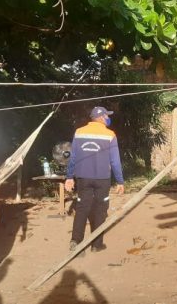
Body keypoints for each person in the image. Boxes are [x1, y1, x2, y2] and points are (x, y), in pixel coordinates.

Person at [65, 106, 124, 252]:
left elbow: (73, 158)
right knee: (101, 210)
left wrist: (69, 177)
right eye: (106, 116)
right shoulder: (110, 135)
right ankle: (97, 245)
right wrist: (120, 181)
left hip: (83, 178)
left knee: (82, 208)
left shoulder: (79, 132)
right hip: (102, 179)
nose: (108, 118)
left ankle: (76, 241)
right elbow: (115, 161)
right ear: (102, 117)